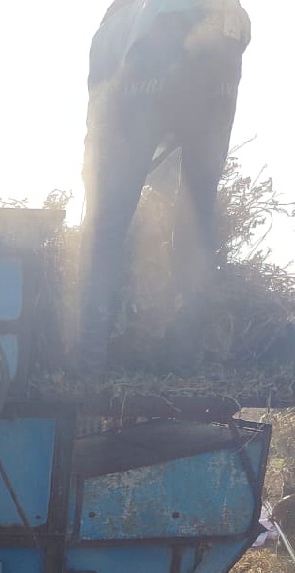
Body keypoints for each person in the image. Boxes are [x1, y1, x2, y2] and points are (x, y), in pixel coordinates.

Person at [79, 0, 251, 369]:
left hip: (163, 41)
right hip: (229, 39)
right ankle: (183, 357)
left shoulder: (110, 33)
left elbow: (100, 138)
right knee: (198, 217)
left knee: (107, 223)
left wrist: (95, 182)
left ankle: (88, 357)